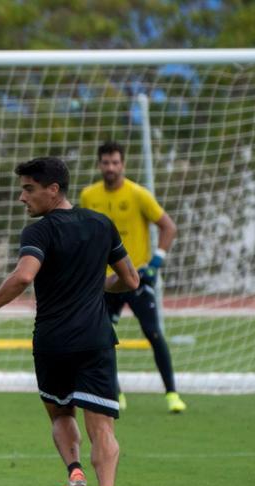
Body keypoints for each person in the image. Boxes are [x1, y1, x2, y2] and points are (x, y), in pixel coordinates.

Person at [0, 157, 138, 486]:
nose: (22, 197)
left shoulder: (39, 232)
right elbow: (131, 280)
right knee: (102, 427)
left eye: (29, 189)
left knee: (59, 416)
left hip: (52, 342)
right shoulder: (102, 225)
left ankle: (74, 473)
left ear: (53, 190)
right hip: (95, 339)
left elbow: (24, 276)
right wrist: (99, 286)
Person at [78, 141, 186, 413]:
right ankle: (115, 393)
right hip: (104, 282)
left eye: (115, 162)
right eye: (106, 162)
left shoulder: (138, 194)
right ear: (99, 164)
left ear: (123, 164)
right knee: (102, 337)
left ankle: (172, 394)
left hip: (136, 279)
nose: (111, 167)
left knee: (153, 333)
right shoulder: (89, 196)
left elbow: (168, 227)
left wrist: (155, 262)